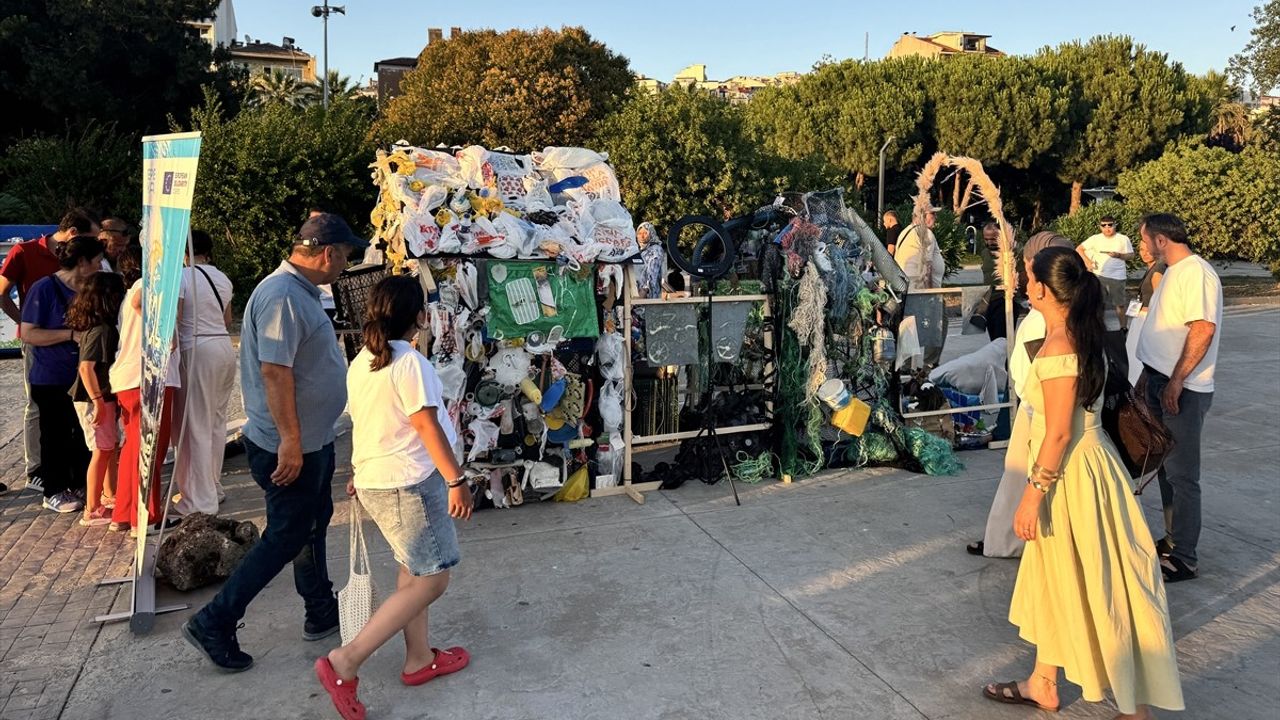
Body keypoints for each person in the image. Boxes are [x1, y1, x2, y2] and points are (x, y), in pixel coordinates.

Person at [984, 246, 1183, 719]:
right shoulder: (1080, 333)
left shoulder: (1058, 349)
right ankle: (1043, 680)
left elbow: (1056, 434)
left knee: (1103, 583)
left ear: (1044, 289)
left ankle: (1135, 709)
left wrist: (1031, 497)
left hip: (1071, 477)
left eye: (1029, 278)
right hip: (1091, 468)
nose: (1023, 284)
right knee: (1058, 579)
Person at [184, 213, 366, 672]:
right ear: (328, 253)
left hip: (311, 440)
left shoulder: (299, 292)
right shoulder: (283, 295)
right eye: (345, 257)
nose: (345, 266)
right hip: (292, 445)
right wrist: (290, 440)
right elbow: (274, 370)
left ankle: (320, 609)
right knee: (286, 535)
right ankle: (215, 619)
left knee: (311, 523)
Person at [315, 276, 472, 720]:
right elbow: (426, 426)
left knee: (412, 569)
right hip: (408, 484)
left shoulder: (364, 360)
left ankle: (419, 658)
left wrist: (357, 471)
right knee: (433, 578)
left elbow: (367, 423)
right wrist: (456, 479)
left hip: (378, 481)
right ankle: (345, 661)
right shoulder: (409, 363)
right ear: (420, 318)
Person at [967, 232, 1075, 558]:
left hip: (1039, 413)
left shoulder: (1055, 328)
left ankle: (1009, 540)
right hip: (1033, 406)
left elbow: (1057, 421)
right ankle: (1008, 538)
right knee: (1015, 479)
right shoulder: (1054, 317)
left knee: (1019, 481)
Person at [1135, 213, 1221, 584]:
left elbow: (1202, 329)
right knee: (1168, 469)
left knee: (1184, 476)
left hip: (1182, 390)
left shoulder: (1196, 273)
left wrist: (1176, 381)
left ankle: (1185, 556)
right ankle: (1173, 539)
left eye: (1143, 240)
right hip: (1160, 381)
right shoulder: (1171, 270)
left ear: (1160, 240)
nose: (1140, 247)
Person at [0, 209, 100, 494]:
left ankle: (74, 477)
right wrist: (24, 323)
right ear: (74, 236)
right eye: (90, 240)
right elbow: (2, 292)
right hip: (41, 339)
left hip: (72, 350)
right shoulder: (25, 252)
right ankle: (38, 471)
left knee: (74, 415)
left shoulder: (82, 278)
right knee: (41, 407)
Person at [20, 236, 104, 512]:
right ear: (82, 262)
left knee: (82, 432)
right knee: (54, 433)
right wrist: (70, 335)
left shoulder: (92, 288)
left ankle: (80, 482)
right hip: (50, 375)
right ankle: (53, 489)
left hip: (82, 374)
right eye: (96, 261)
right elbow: (28, 332)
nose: (101, 266)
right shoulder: (43, 289)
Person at [109, 245, 182, 537]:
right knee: (151, 450)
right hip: (150, 377)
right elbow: (143, 300)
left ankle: (125, 512)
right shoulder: (150, 284)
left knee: (134, 448)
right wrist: (165, 335)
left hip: (130, 377)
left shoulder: (132, 291)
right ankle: (147, 515)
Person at [171, 230, 235, 517]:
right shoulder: (222, 277)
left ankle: (199, 500)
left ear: (184, 253)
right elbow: (228, 319)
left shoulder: (182, 277)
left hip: (196, 348)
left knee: (194, 424)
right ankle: (213, 486)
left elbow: (177, 317)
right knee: (216, 422)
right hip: (223, 346)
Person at [65, 271, 127, 526]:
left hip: (98, 397)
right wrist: (99, 401)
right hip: (93, 399)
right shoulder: (101, 330)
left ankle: (108, 494)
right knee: (101, 451)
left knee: (108, 447)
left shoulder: (98, 327)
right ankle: (92, 508)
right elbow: (86, 368)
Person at [895, 206, 947, 365]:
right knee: (939, 321)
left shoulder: (905, 232)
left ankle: (906, 365)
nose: (935, 218)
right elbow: (927, 266)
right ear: (923, 215)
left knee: (910, 325)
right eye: (933, 214)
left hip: (906, 288)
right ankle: (929, 364)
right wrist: (931, 293)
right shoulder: (926, 233)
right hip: (922, 289)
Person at [1076, 216, 1134, 331]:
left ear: (1115, 225)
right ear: (1100, 226)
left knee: (1120, 304)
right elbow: (1079, 249)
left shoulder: (1123, 239)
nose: (1107, 228)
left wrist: (1119, 255)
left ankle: (1123, 328)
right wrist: (1088, 262)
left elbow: (1131, 255)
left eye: (1110, 225)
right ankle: (1098, 327)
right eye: (1104, 225)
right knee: (1098, 303)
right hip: (1098, 276)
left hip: (1117, 277)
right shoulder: (1095, 239)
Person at [1124, 235, 1166, 386]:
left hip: (1146, 319)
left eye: (1148, 250)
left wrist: (1149, 312)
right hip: (1140, 317)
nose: (1144, 253)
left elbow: (1161, 300)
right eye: (1141, 250)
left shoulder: (1158, 270)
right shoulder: (1152, 268)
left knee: (1137, 357)